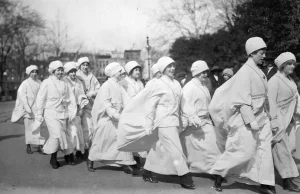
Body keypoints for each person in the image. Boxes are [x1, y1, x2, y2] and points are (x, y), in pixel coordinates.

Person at [209, 37, 275, 194]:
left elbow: (263, 97)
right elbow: (242, 101)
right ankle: (219, 173)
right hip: (248, 119)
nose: (264, 56)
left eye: (264, 53)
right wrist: (251, 121)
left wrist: (268, 115)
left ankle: (266, 183)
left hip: (262, 117)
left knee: (265, 150)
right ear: (252, 53)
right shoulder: (245, 72)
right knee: (242, 151)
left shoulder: (259, 71)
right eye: (261, 53)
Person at [117, 56, 195, 189]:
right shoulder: (157, 84)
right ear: (163, 69)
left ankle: (147, 171)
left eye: (173, 66)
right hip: (163, 122)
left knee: (159, 148)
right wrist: (148, 124)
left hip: (175, 122)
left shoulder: (176, 83)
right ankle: (184, 176)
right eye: (168, 66)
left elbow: (183, 102)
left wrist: (192, 115)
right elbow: (150, 106)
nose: (172, 68)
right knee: (176, 148)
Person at [87, 62, 137, 174]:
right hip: (107, 119)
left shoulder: (119, 85)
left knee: (122, 140)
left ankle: (126, 163)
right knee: (101, 142)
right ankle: (90, 159)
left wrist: (132, 109)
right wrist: (115, 114)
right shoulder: (106, 86)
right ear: (114, 73)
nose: (121, 73)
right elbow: (106, 104)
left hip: (118, 118)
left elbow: (126, 100)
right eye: (120, 71)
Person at [180, 60, 221, 174]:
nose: (205, 74)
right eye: (202, 72)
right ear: (196, 73)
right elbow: (184, 104)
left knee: (212, 147)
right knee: (204, 149)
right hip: (195, 124)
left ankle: (215, 170)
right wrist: (192, 117)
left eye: (206, 72)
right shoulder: (189, 87)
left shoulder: (203, 86)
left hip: (205, 122)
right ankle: (214, 171)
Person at [268, 52, 300, 192]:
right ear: (282, 65)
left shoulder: (290, 79)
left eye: (294, 63)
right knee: (283, 151)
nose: (292, 66)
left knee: (290, 149)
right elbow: (271, 103)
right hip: (279, 120)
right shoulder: (274, 81)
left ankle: (275, 178)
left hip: (289, 120)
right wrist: (274, 121)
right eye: (289, 63)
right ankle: (288, 181)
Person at [36, 61, 77, 169]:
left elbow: (71, 98)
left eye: (61, 70)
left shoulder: (66, 82)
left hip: (63, 114)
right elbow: (40, 99)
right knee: (56, 135)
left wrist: (72, 111)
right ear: (53, 71)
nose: (60, 72)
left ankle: (63, 155)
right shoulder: (46, 82)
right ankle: (53, 158)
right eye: (58, 70)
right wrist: (39, 113)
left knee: (62, 136)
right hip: (50, 113)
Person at [11, 65, 47, 154]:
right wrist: (27, 106)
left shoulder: (40, 82)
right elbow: (21, 95)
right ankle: (28, 146)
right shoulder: (25, 83)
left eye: (36, 72)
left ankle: (39, 146)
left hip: (37, 108)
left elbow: (43, 94)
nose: (34, 74)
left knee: (38, 127)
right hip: (29, 109)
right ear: (29, 73)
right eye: (32, 72)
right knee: (28, 128)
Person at [63, 62, 89, 164]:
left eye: (74, 71)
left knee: (78, 134)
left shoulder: (78, 82)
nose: (73, 74)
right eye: (71, 72)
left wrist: (81, 106)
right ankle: (68, 155)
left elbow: (82, 95)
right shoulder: (64, 81)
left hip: (77, 112)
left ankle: (74, 153)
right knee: (71, 134)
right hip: (68, 112)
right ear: (67, 73)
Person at [122, 61, 145, 170]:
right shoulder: (124, 82)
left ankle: (136, 159)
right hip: (129, 112)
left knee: (138, 136)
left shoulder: (140, 83)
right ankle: (128, 162)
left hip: (139, 113)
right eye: (135, 70)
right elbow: (124, 98)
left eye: (139, 70)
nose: (138, 72)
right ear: (130, 71)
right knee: (130, 137)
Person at [76, 57, 100, 158]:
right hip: (80, 106)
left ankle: (85, 149)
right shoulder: (77, 76)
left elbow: (99, 88)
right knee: (82, 129)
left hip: (90, 106)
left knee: (89, 128)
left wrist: (93, 92)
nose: (85, 67)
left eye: (87, 65)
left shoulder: (92, 76)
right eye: (83, 65)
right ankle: (81, 150)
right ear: (80, 66)